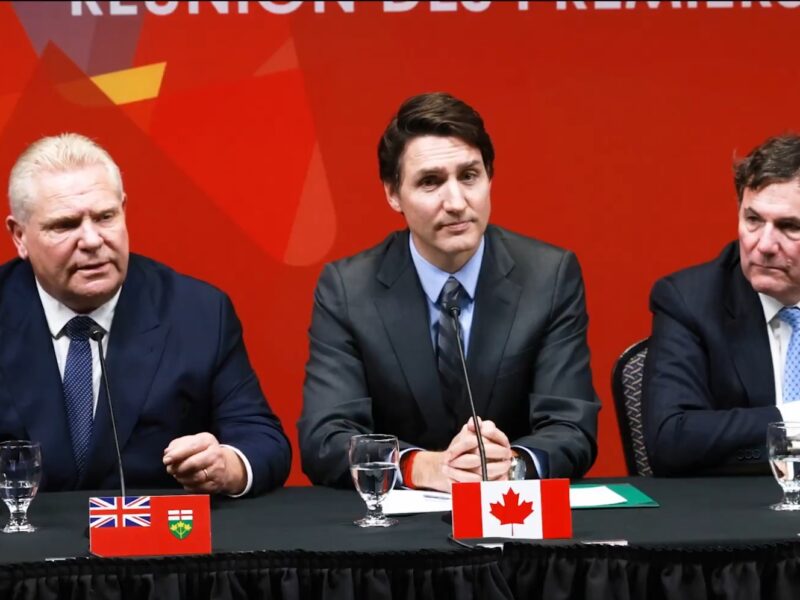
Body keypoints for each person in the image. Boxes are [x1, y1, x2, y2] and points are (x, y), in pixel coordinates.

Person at [299, 92, 599, 491]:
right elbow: (326, 436)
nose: (456, 202)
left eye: (469, 176)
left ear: (489, 177)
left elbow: (572, 426)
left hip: (511, 524)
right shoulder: (349, 289)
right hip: (395, 537)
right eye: (430, 182)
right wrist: (418, 467)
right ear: (392, 194)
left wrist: (512, 464)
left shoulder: (549, 276)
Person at [0, 133, 291, 495]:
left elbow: (263, 440)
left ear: (124, 209)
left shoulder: (196, 311)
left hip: (156, 543)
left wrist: (228, 464)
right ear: (20, 237)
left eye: (105, 217)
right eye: (65, 225)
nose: (91, 240)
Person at [643, 133, 800, 476]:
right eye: (753, 220)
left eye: (790, 226)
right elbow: (671, 439)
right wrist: (792, 420)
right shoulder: (691, 300)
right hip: (747, 513)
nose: (764, 245)